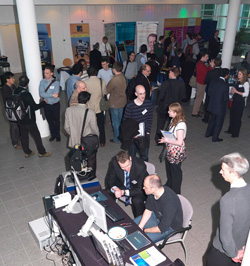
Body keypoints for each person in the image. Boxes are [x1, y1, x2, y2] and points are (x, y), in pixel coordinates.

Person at [206, 152, 250, 266]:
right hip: (243, 247)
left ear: (234, 173)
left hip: (225, 252)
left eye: (223, 170)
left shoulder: (228, 199)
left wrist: (234, 254)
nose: (220, 172)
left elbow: (225, 236)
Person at [134, 174, 183, 243]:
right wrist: (140, 226)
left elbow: (162, 228)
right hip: (156, 216)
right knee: (132, 226)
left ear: (153, 188)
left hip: (169, 227)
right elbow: (148, 210)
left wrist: (144, 230)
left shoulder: (169, 203)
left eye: (145, 187)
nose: (143, 188)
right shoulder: (153, 193)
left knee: (141, 241)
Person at [14, 75, 51, 158]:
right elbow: (34, 107)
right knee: (36, 135)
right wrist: (44, 103)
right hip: (29, 119)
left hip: (19, 118)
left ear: (19, 82)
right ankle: (42, 152)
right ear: (27, 84)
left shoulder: (15, 91)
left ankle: (27, 152)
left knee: (23, 136)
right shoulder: (26, 94)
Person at [64, 91, 99, 177]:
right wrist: (97, 136)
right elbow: (94, 128)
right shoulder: (90, 112)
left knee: (76, 158)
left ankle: (77, 175)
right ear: (87, 101)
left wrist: (73, 134)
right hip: (87, 141)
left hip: (74, 141)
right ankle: (91, 175)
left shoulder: (69, 110)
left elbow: (66, 127)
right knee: (91, 159)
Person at [105, 150, 148, 217]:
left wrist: (122, 192)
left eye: (128, 165)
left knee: (137, 200)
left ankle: (139, 221)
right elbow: (110, 180)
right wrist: (116, 190)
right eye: (123, 167)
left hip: (137, 187)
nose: (126, 169)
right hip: (123, 184)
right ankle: (111, 215)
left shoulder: (140, 166)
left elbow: (140, 189)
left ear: (130, 158)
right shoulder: (114, 163)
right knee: (107, 192)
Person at [158, 103, 187, 194]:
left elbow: (179, 142)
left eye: (170, 111)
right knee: (169, 168)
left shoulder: (180, 126)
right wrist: (166, 139)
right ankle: (170, 184)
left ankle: (176, 191)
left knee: (175, 171)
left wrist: (167, 140)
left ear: (175, 112)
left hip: (176, 152)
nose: (168, 112)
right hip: (171, 149)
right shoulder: (173, 120)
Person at [155, 68, 185, 143]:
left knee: (160, 124)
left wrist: (159, 105)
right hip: (175, 109)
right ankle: (170, 139)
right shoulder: (181, 84)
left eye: (169, 72)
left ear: (172, 73)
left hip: (164, 107)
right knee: (171, 125)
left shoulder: (165, 83)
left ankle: (159, 139)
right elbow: (184, 96)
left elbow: (161, 96)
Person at [123, 85, 153, 162]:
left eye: (144, 93)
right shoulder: (130, 105)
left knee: (145, 156)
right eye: (140, 94)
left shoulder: (148, 103)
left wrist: (148, 131)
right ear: (136, 94)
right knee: (132, 156)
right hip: (133, 135)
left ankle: (144, 171)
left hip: (144, 134)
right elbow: (126, 121)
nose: (143, 96)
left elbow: (150, 118)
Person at [205, 68, 229, 142]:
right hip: (220, 106)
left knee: (212, 119)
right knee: (219, 122)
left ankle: (208, 133)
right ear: (226, 76)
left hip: (212, 104)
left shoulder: (213, 81)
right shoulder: (225, 85)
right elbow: (225, 98)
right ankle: (215, 137)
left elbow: (208, 92)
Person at [85, 67, 107, 147]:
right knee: (101, 125)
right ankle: (102, 141)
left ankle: (91, 142)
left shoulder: (85, 82)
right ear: (96, 73)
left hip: (89, 107)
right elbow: (104, 93)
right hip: (99, 107)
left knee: (89, 126)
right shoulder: (102, 82)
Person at [225, 68, 249, 138]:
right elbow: (234, 90)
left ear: (244, 75)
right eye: (238, 74)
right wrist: (232, 91)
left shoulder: (246, 83)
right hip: (234, 101)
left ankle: (235, 133)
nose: (238, 75)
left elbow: (246, 94)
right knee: (232, 116)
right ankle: (230, 130)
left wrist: (236, 92)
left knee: (237, 118)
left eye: (240, 74)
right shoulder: (238, 81)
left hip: (240, 103)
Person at [106, 62, 127, 143]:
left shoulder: (114, 80)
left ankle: (116, 138)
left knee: (115, 121)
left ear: (114, 69)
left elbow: (107, 90)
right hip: (122, 101)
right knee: (120, 119)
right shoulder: (123, 77)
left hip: (115, 102)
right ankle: (120, 134)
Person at [39, 66, 61, 142]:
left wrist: (46, 94)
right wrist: (51, 95)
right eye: (44, 73)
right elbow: (41, 94)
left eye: (47, 73)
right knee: (50, 121)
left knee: (57, 120)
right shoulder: (42, 82)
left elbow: (56, 94)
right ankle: (53, 135)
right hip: (47, 105)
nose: (45, 74)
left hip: (55, 104)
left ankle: (58, 135)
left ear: (51, 73)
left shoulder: (56, 83)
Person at [1, 72, 21, 149]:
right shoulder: (4, 89)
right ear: (7, 79)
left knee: (18, 124)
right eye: (12, 78)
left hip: (16, 109)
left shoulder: (13, 86)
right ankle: (15, 143)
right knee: (14, 126)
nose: (14, 79)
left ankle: (19, 138)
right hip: (10, 111)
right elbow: (8, 100)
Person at [192, 50, 214, 117]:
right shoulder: (200, 65)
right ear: (203, 57)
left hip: (201, 82)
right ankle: (195, 112)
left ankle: (196, 110)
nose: (207, 58)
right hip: (201, 83)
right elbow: (207, 73)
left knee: (200, 97)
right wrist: (211, 66)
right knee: (199, 98)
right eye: (206, 57)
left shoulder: (200, 63)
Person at [202, 57, 222, 123]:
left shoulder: (210, 72)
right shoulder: (222, 72)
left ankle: (206, 118)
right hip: (219, 91)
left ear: (215, 64)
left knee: (208, 104)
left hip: (210, 90)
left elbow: (205, 81)